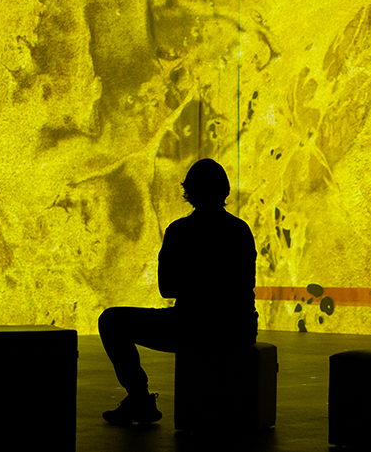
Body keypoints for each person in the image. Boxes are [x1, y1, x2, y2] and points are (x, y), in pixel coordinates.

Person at [98, 158, 258, 425]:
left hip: (191, 326)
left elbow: (166, 288)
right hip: (238, 328)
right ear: (225, 191)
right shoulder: (240, 230)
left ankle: (139, 397)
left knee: (111, 320)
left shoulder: (179, 231)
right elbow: (245, 284)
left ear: (189, 192)